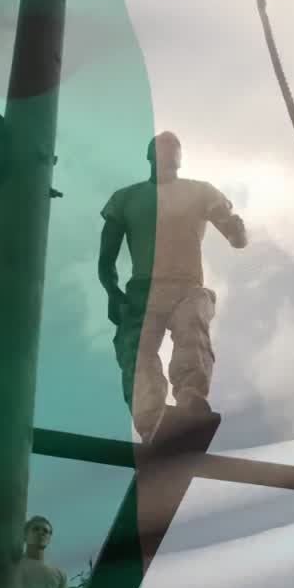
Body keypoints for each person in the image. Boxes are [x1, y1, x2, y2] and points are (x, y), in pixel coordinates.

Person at [99, 131, 248, 441]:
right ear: (149, 155)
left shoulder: (200, 192)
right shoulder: (126, 199)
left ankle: (191, 395)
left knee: (192, 328)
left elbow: (234, 235)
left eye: (174, 148)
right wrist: (113, 293)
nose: (169, 152)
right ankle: (150, 417)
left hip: (187, 287)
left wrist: (237, 231)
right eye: (162, 147)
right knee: (135, 351)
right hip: (142, 292)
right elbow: (106, 259)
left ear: (181, 157)